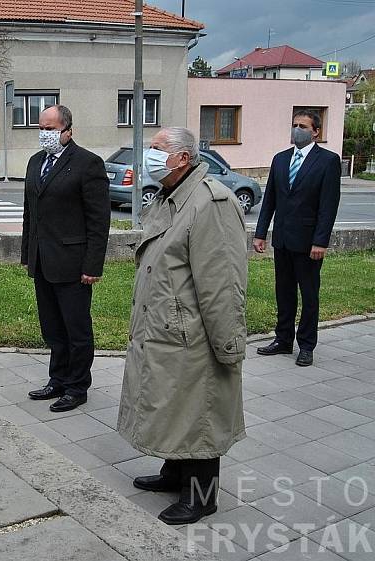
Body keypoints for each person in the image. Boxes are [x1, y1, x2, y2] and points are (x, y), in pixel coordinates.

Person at [117, 127, 248, 525]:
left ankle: (202, 496)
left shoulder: (212, 203)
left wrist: (228, 347)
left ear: (183, 158)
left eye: (158, 150)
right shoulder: (171, 197)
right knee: (175, 405)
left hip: (195, 333)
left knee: (200, 414)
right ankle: (175, 473)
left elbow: (222, 284)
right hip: (168, 328)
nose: (150, 156)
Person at [21, 105, 110, 413]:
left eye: (50, 128)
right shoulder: (36, 162)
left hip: (73, 263)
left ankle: (76, 386)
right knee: (52, 328)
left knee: (76, 329)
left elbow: (99, 220)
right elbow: (30, 214)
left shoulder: (87, 163)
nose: (44, 134)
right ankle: (57, 379)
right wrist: (27, 255)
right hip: (43, 261)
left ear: (68, 130)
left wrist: (92, 266)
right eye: (41, 128)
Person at [253, 110, 342, 367]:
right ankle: (283, 340)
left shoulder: (327, 161)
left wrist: (320, 241)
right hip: (282, 239)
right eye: (294, 125)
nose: (297, 130)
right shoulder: (280, 159)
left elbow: (328, 206)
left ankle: (306, 345)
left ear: (316, 131)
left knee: (309, 294)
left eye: (303, 126)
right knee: (284, 292)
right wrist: (261, 233)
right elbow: (269, 199)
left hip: (309, 242)